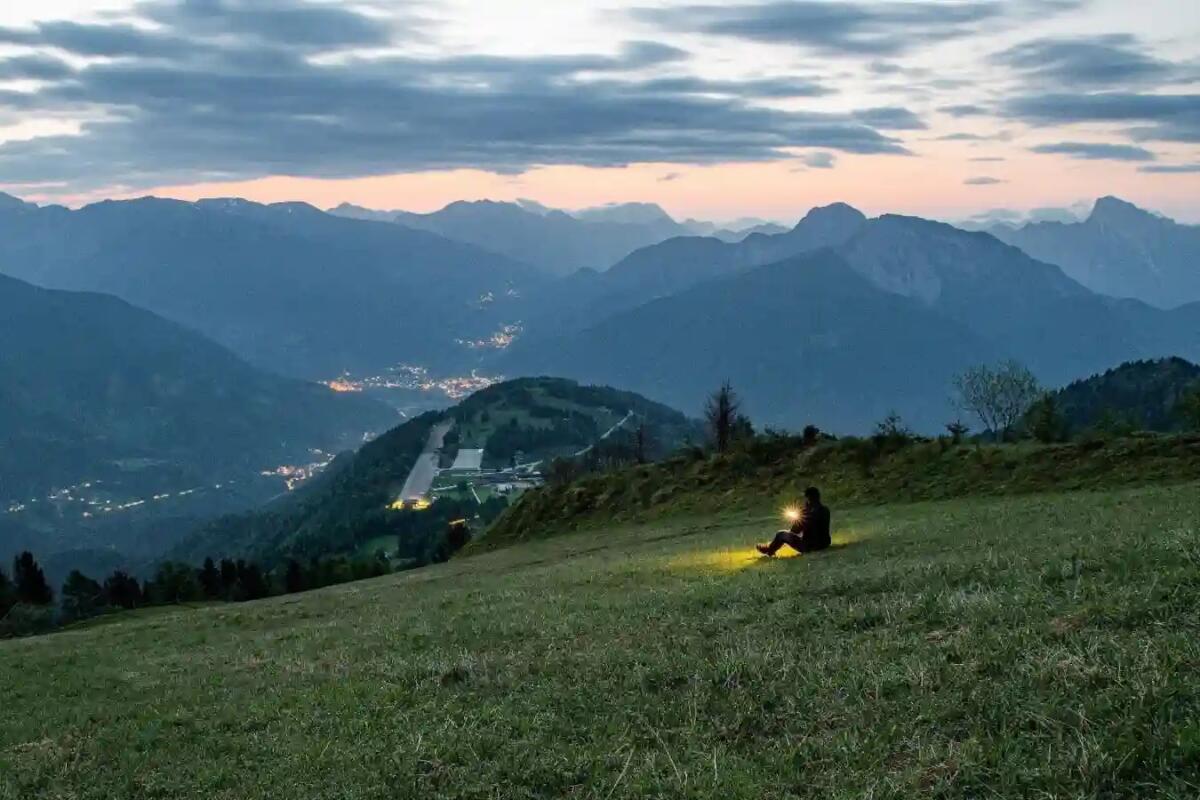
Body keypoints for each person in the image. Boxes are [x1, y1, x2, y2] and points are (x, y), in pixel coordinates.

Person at [756, 486, 831, 556]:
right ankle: (771, 548)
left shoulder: (807, 513)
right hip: (824, 544)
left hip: (809, 546)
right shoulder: (825, 510)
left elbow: (795, 531)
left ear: (808, 499)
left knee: (781, 534)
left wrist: (798, 516)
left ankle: (770, 550)